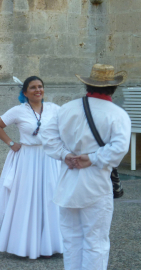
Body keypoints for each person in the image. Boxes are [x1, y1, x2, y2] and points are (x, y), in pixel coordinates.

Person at [40, 64, 130, 270]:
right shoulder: (117, 114)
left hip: (68, 180)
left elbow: (48, 137)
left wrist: (66, 155)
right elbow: (119, 147)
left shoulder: (67, 109)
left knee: (71, 239)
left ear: (87, 85)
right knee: (95, 241)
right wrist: (93, 158)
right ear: (113, 88)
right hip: (96, 183)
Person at [0, 76, 63, 259]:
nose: (38, 90)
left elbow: (69, 125)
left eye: (40, 86)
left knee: (50, 197)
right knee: (26, 198)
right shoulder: (18, 111)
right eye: (33, 87)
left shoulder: (54, 109)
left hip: (49, 159)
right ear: (25, 92)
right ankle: (24, 244)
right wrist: (11, 143)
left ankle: (51, 244)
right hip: (28, 158)